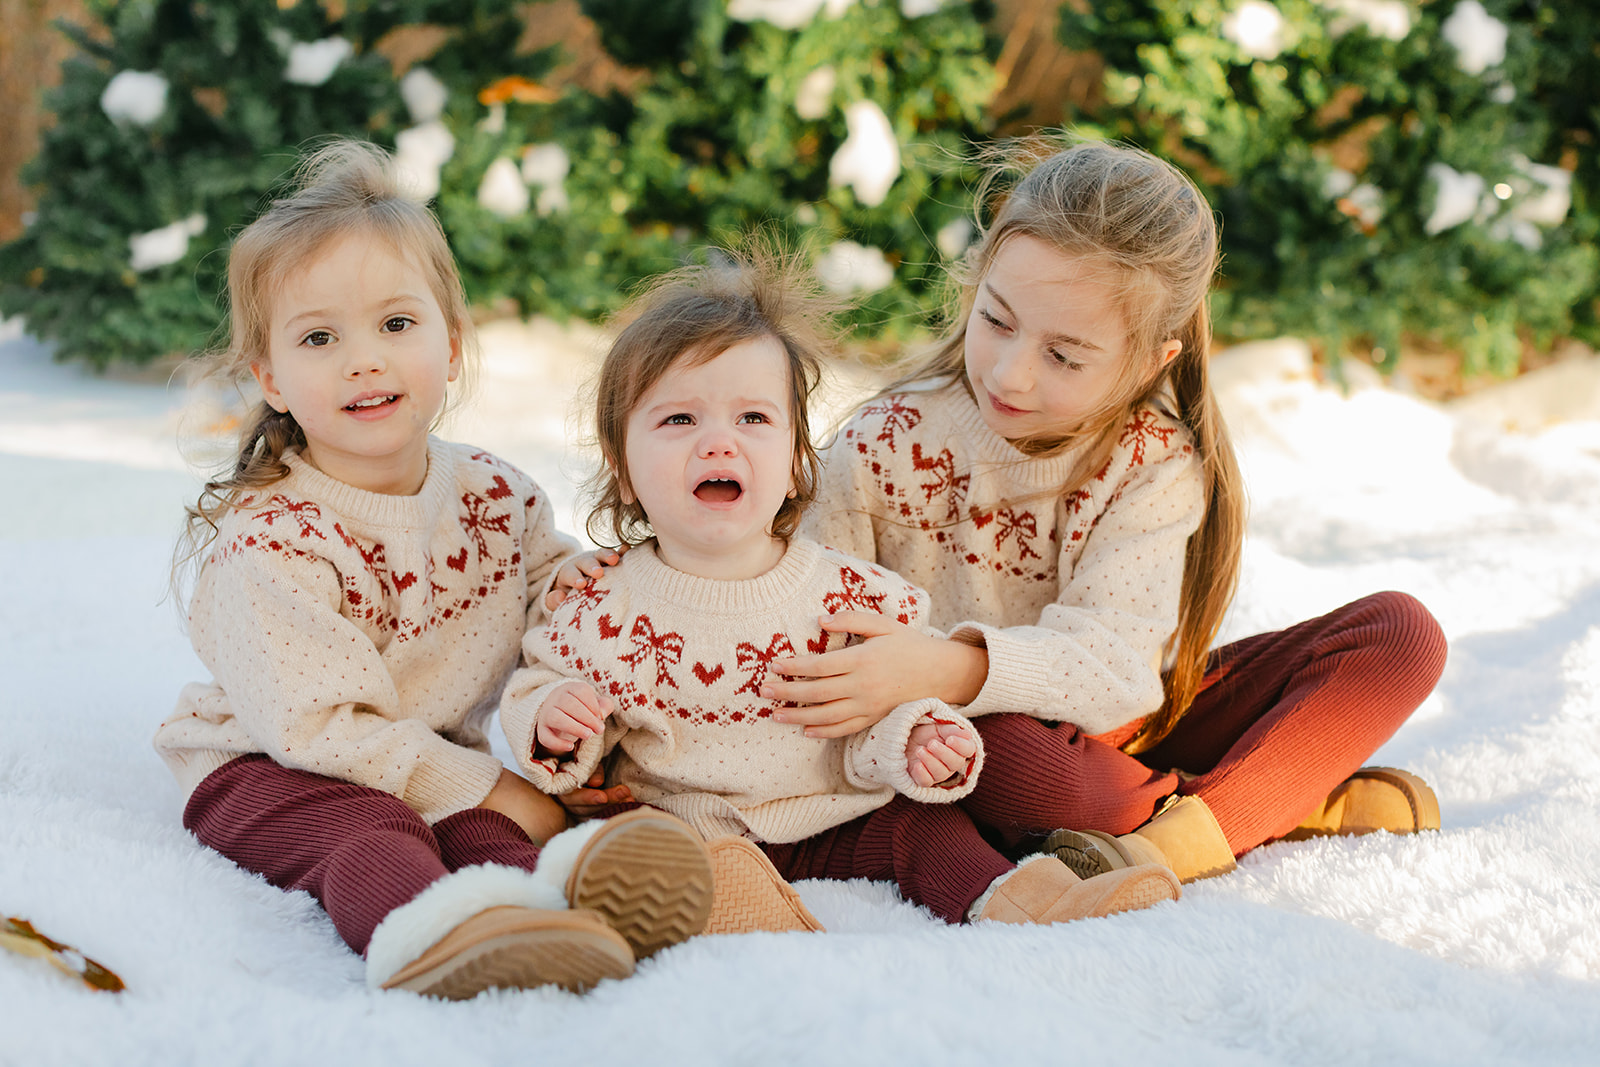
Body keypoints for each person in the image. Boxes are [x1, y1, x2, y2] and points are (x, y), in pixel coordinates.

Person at [760, 138, 1449, 883]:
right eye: (997, 320)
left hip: (1125, 729)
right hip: (971, 750)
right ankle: (1259, 800)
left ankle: (1172, 840)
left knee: (1402, 633)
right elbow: (815, 641)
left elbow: (1116, 670)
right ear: (977, 282)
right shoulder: (884, 444)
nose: (1011, 374)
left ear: (1151, 361)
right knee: (1006, 756)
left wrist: (953, 665)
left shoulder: (1150, 460)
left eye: (1063, 356)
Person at [153, 139, 719, 1001]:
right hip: (266, 765)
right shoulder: (271, 542)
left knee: (491, 834)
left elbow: (555, 596)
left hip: (422, 753)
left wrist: (603, 638)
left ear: (451, 345)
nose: (364, 359)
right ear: (271, 378)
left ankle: (565, 916)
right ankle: (430, 935)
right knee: (379, 832)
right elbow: (323, 730)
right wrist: (491, 783)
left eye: (396, 324)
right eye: (319, 337)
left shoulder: (495, 493)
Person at [505, 244, 1182, 929]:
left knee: (923, 827)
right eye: (679, 420)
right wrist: (556, 722)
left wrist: (919, 738)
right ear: (622, 469)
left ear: (798, 464)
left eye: (753, 419)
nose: (718, 443)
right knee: (631, 846)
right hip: (683, 821)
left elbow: (886, 706)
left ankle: (1026, 900)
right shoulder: (603, 602)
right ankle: (733, 898)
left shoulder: (849, 592)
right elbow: (537, 683)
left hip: (831, 818)